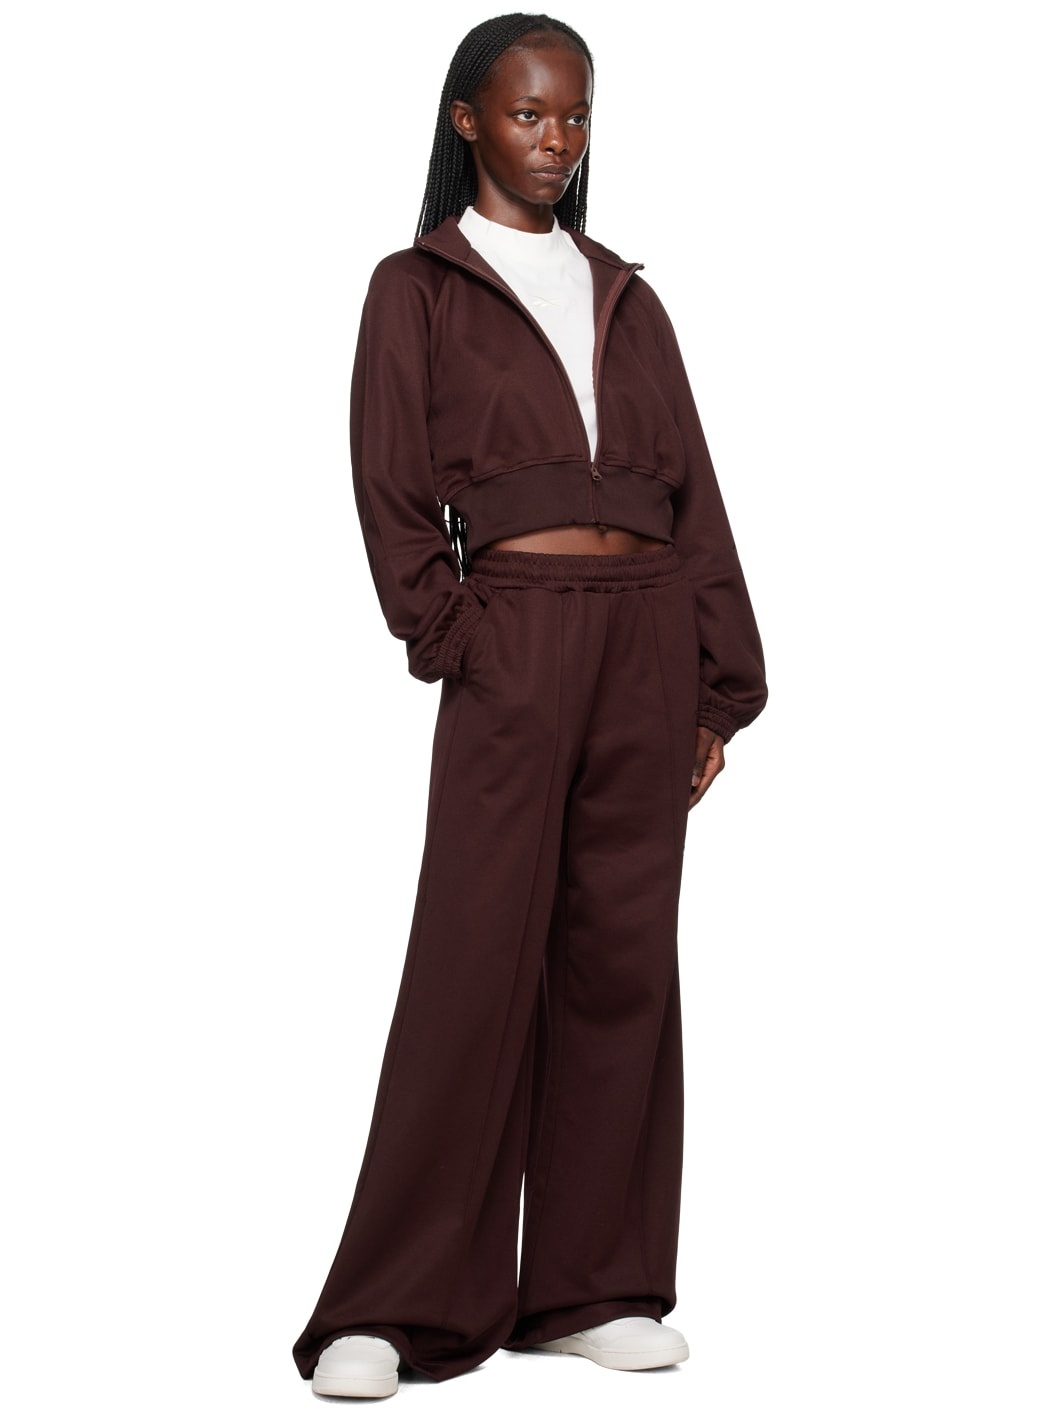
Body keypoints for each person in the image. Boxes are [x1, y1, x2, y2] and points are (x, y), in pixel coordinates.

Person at [292, 11, 767, 1399]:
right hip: (516, 636)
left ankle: (590, 1287)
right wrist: (456, 634)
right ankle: (390, 1308)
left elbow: (695, 493)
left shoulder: (627, 293)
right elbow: (390, 484)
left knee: (622, 963)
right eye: (528, 114)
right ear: (468, 121)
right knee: (472, 960)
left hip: (649, 637)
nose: (556, 140)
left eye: (575, 116)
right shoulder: (417, 288)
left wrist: (719, 685)